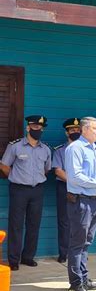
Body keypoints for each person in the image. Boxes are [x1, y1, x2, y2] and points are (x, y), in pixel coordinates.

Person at [65, 117, 96, 291]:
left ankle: (84, 279)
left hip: (93, 200)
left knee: (86, 243)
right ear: (84, 129)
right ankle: (75, 284)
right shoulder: (75, 148)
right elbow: (75, 176)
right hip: (80, 201)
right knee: (77, 244)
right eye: (94, 128)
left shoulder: (93, 149)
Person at [0, 115, 51, 271]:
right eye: (35, 127)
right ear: (28, 127)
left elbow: (47, 169)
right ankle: (14, 260)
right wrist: (16, 177)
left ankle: (28, 257)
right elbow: (4, 166)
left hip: (37, 190)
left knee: (33, 224)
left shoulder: (46, 149)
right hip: (19, 190)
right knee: (16, 225)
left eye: (41, 128)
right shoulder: (15, 146)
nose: (38, 130)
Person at [52, 117, 81, 263]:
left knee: (81, 221)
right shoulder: (59, 150)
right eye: (72, 130)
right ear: (66, 132)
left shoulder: (86, 149)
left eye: (77, 130)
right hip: (65, 187)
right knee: (64, 221)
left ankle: (78, 253)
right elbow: (58, 171)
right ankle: (64, 253)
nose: (75, 132)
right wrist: (75, 181)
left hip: (82, 189)